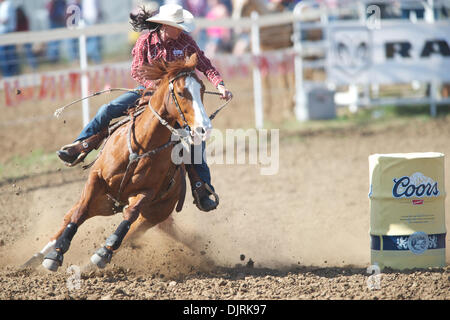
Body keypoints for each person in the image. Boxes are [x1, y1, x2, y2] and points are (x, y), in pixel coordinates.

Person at [57, 4, 232, 212]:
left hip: (177, 100)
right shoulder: (146, 42)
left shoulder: (186, 42)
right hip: (148, 93)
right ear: (165, 26)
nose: (182, 29)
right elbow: (137, 70)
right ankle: (81, 145)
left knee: (196, 139)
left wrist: (220, 85)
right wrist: (158, 89)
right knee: (108, 110)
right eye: (178, 26)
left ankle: (202, 187)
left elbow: (205, 64)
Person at [0, 0, 19, 77]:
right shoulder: (4, 4)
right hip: (3, 33)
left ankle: (10, 76)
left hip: (6, 33)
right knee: (6, 57)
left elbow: (5, 19)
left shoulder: (7, 4)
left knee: (8, 56)